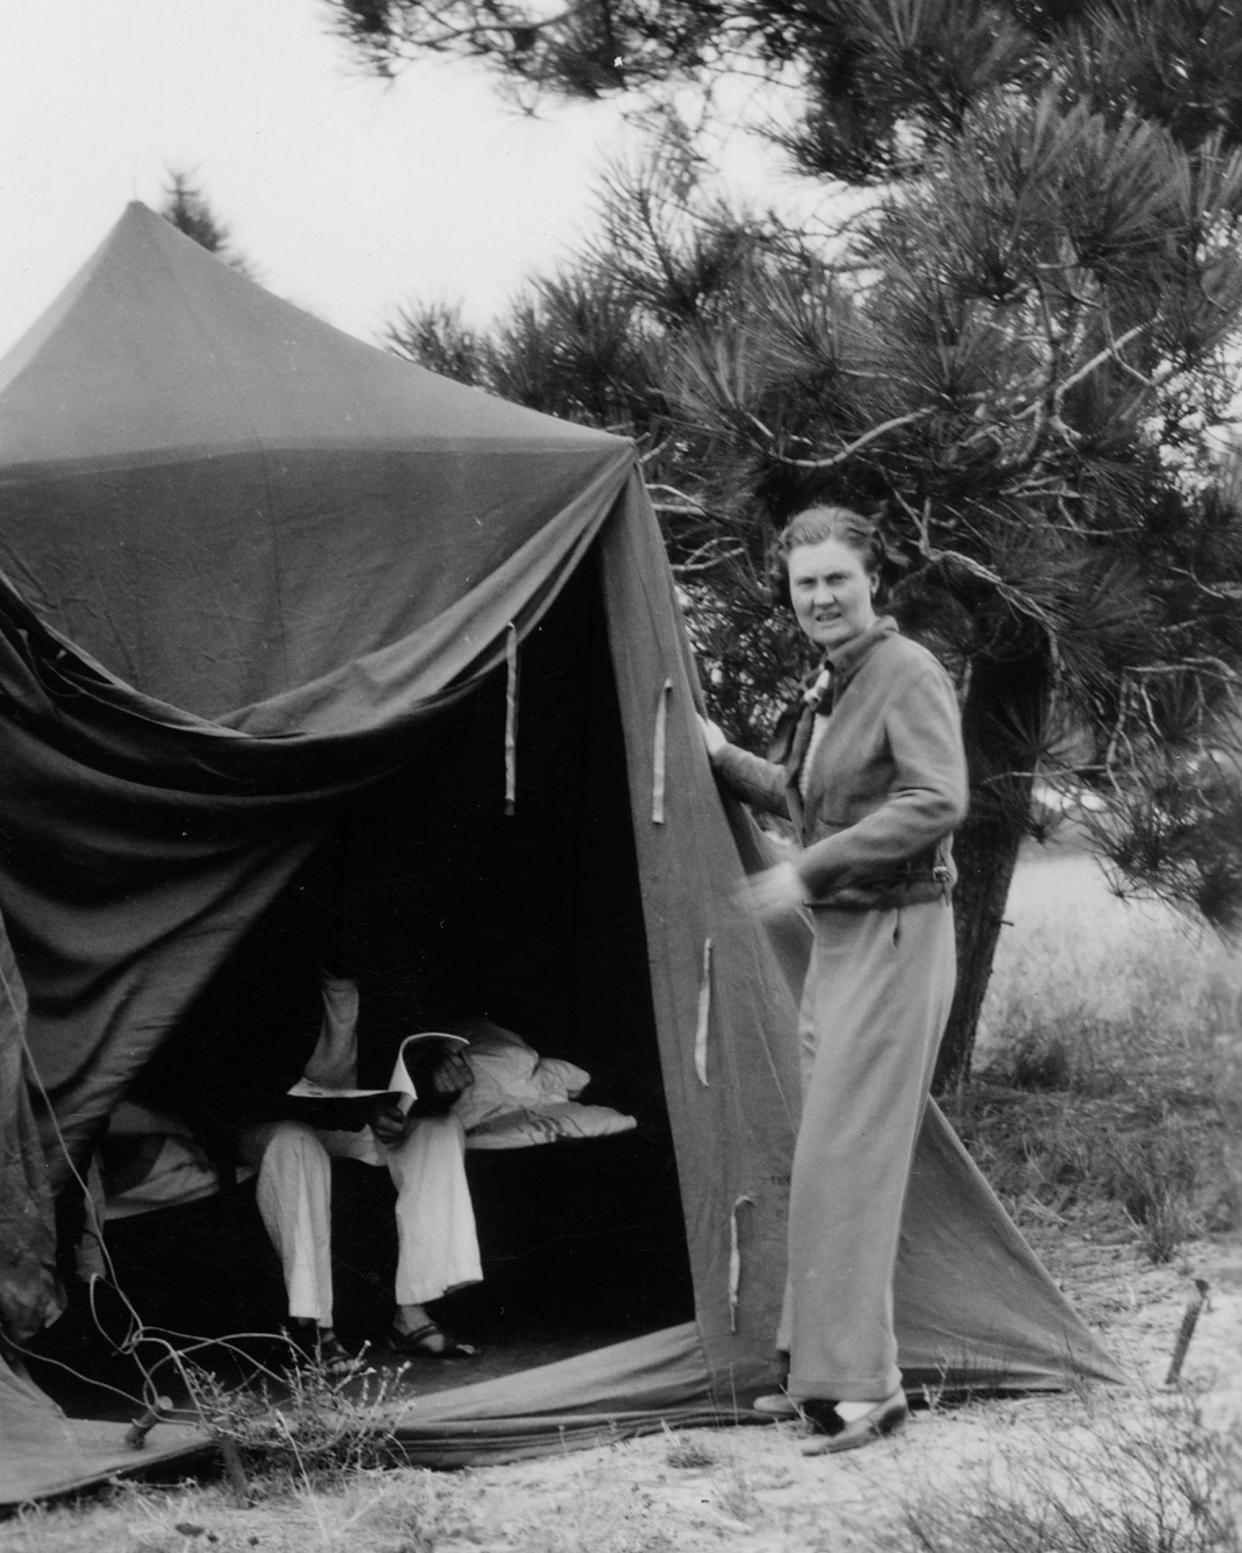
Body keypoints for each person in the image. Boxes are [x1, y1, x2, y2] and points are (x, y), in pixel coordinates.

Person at [700, 504, 968, 1454]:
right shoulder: (837, 681)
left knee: (847, 1161)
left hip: (899, 930)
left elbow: (939, 798)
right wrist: (721, 753)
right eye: (805, 583)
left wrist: (805, 871)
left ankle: (864, 1391)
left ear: (873, 584)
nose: (819, 597)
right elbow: (806, 794)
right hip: (846, 939)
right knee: (824, 1156)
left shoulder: (906, 670)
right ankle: (817, 1371)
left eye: (836, 580)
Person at [239, 970, 484, 1375]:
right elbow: (254, 1086)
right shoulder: (274, 986)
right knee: (296, 1145)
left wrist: (441, 1087)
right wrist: (356, 1111)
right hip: (274, 1123)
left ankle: (412, 1310)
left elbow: (411, 1076)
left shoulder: (389, 990)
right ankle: (317, 1330)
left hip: (354, 1121)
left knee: (440, 1130)